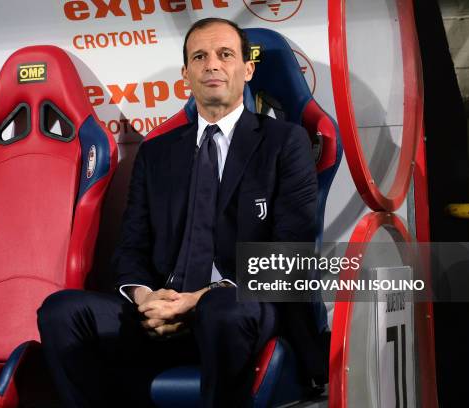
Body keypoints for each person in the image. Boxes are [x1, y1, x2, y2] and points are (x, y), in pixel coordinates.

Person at [38, 17, 326, 407]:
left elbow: (289, 254)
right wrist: (145, 297)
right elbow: (130, 248)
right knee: (62, 311)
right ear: (186, 75)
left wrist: (199, 299)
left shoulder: (284, 142)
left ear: (247, 69)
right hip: (159, 310)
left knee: (222, 309)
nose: (212, 65)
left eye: (225, 55)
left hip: (239, 306)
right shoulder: (157, 153)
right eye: (200, 57)